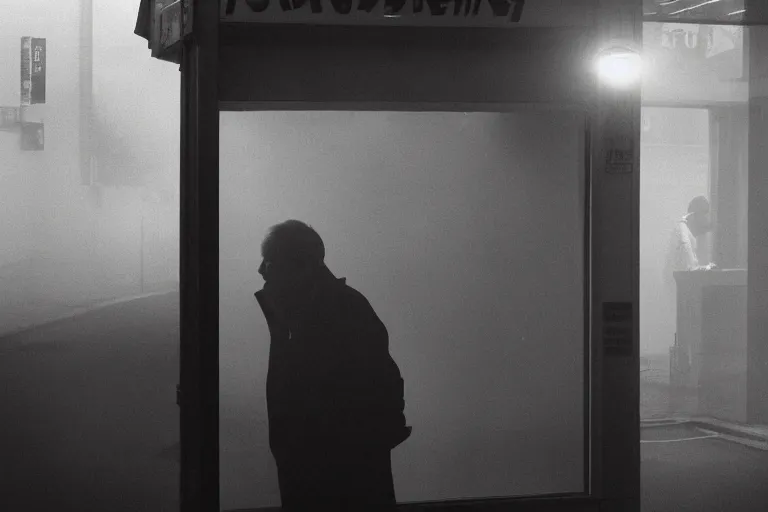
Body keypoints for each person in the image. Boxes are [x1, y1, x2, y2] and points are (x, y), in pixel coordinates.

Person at [254, 220, 411, 511]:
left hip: (334, 481)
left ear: (300, 266)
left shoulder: (335, 315)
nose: (261, 270)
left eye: (270, 261)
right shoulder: (321, 311)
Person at [667, 195, 717, 275]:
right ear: (693, 215)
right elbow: (692, 271)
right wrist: (709, 267)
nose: (707, 220)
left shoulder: (684, 231)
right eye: (705, 216)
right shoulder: (684, 235)